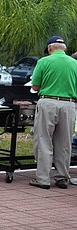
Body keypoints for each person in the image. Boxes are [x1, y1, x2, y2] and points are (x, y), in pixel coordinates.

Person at [29, 35, 77, 189]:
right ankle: (62, 177)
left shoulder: (44, 62)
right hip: (69, 105)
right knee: (64, 142)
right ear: (64, 49)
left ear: (50, 48)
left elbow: (35, 86)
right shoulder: (74, 63)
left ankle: (43, 178)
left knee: (43, 140)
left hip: (48, 103)